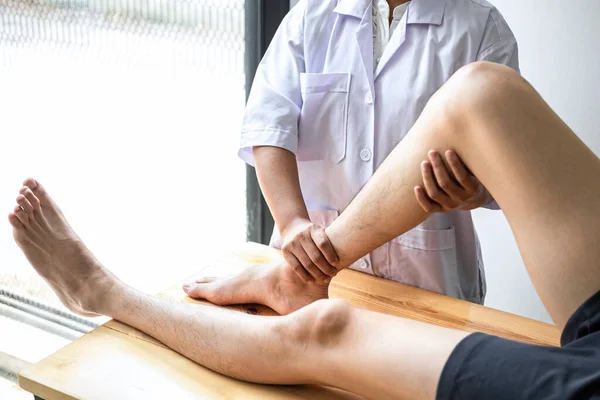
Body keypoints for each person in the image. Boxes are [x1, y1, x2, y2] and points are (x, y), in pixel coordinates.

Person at [10, 63, 600, 399]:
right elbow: (267, 119)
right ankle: (296, 278)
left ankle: (99, 289)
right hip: (331, 249)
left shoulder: (478, 18)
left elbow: (502, 187)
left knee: (327, 327)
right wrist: (296, 230)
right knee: (480, 95)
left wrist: (475, 189)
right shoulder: (312, 15)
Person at [240, 0, 520, 304]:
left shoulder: (481, 28)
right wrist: (291, 220)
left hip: (427, 285)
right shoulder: (311, 16)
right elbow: (268, 127)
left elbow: (508, 167)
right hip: (307, 273)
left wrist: (473, 191)